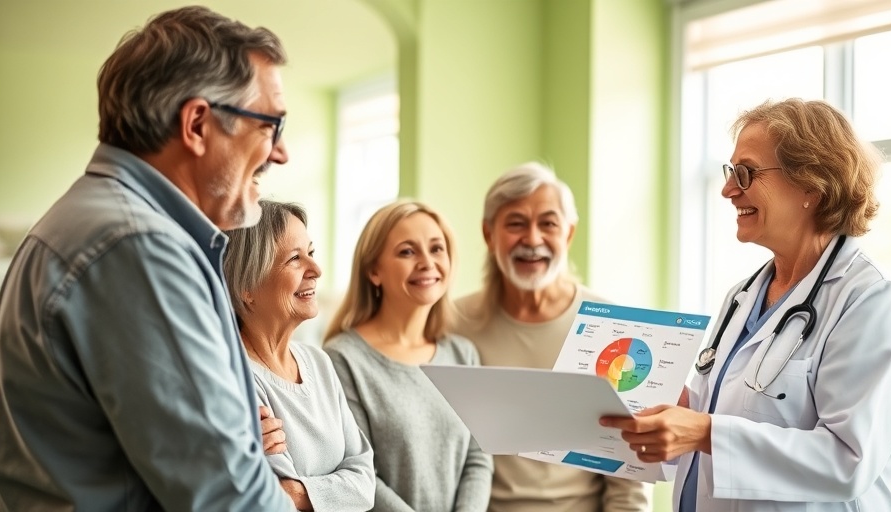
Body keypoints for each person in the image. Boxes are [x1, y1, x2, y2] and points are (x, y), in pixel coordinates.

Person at [0, 6, 296, 510]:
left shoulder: (103, 224)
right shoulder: (139, 247)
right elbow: (228, 497)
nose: (281, 152)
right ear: (198, 124)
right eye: (271, 124)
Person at [601, 99, 891, 511]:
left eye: (746, 172)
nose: (727, 189)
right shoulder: (743, 296)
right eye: (729, 171)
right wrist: (683, 410)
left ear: (811, 183)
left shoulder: (871, 303)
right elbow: (732, 417)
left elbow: (848, 463)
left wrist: (704, 431)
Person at [451, 162, 651, 512]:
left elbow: (628, 476)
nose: (532, 239)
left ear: (568, 233)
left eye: (548, 223)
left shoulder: (612, 326)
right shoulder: (453, 322)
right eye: (516, 223)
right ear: (488, 234)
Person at [323, 200, 493, 511]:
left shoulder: (462, 353)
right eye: (407, 251)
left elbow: (478, 457)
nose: (427, 262)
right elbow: (359, 474)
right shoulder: (341, 360)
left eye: (437, 248)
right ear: (374, 270)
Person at [223, 199, 375, 511]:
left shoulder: (319, 362)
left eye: (312, 253)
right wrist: (332, 491)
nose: (316, 269)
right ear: (246, 286)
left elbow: (364, 479)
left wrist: (301, 493)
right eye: (295, 259)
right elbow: (271, 501)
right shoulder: (235, 376)